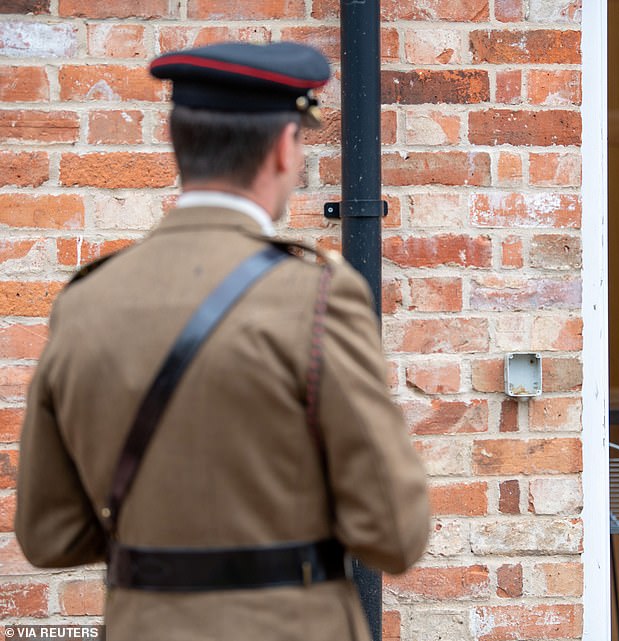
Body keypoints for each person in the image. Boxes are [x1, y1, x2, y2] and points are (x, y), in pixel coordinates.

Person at [15, 42, 430, 641]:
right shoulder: (315, 295)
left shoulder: (85, 301)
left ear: (178, 143)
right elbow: (395, 531)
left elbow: (49, 535)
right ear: (286, 148)